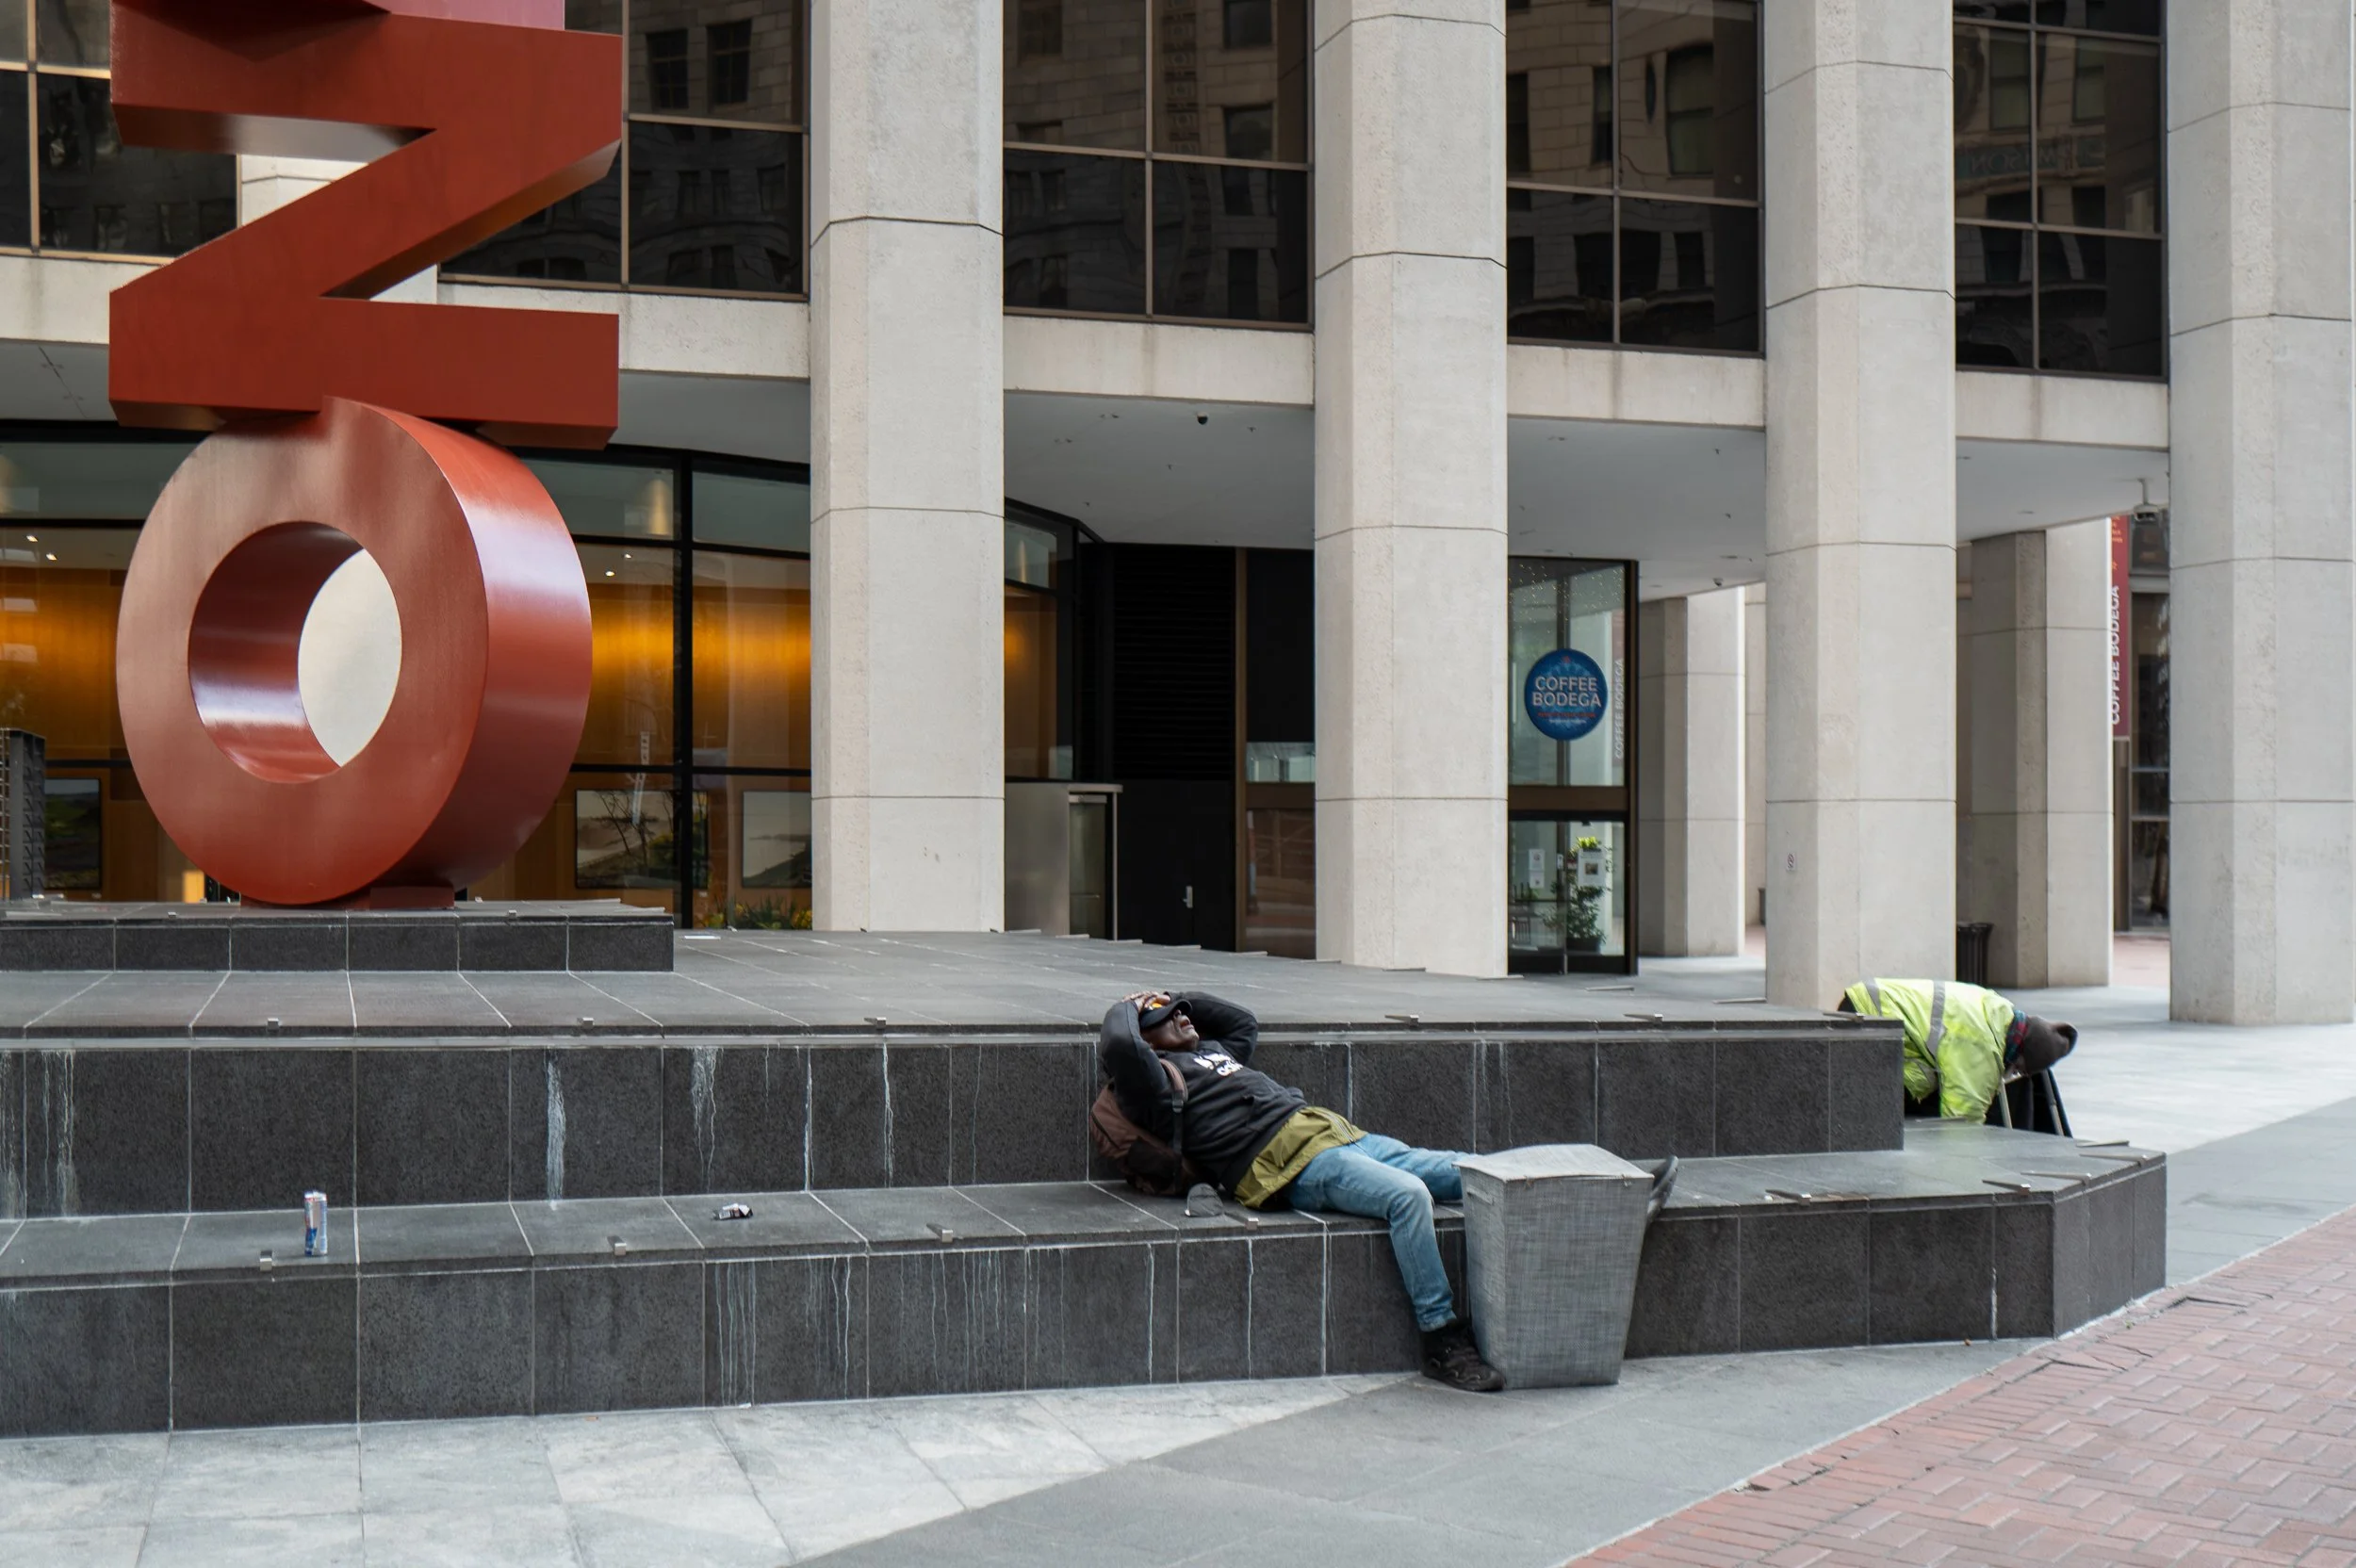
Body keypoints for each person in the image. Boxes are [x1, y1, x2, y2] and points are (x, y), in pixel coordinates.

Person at [1099, 989, 1677, 1394]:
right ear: (1147, 1039)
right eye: (1168, 1016)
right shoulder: (1154, 1084)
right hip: (1287, 1165)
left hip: (1337, 1135)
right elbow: (1121, 1046)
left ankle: (1613, 1192)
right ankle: (1442, 1341)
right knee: (1408, 1197)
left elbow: (1243, 1020)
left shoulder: (1213, 1051)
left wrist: (1175, 997)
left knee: (1473, 1168)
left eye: (1181, 1011)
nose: (1182, 1017)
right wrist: (1130, 1008)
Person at [1836, 978, 2077, 1124]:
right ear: (2021, 1055)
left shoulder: (1998, 1011)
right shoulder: (1982, 1047)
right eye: (2020, 1069)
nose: (2015, 1073)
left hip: (1870, 1005)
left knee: (1921, 1087)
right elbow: (1961, 1123)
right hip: (1870, 1019)